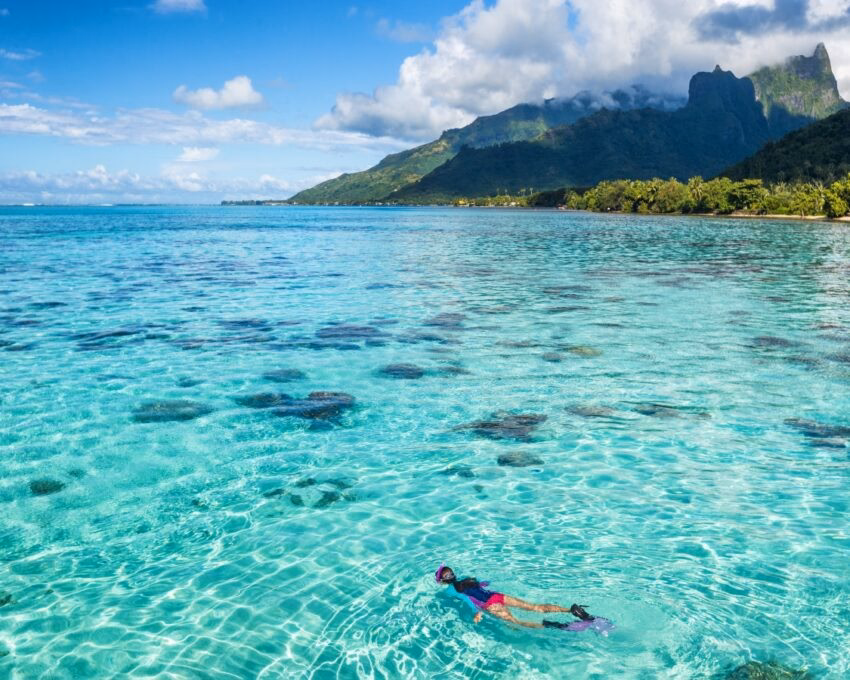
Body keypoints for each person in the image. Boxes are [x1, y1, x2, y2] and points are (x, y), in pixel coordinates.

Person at [435, 564, 599, 631]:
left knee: (517, 623)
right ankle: (572, 610)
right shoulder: (467, 579)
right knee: (535, 607)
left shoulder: (452, 590)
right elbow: (484, 584)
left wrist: (477, 612)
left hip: (489, 604)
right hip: (497, 596)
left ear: (443, 581)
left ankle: (560, 626)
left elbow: (467, 599)